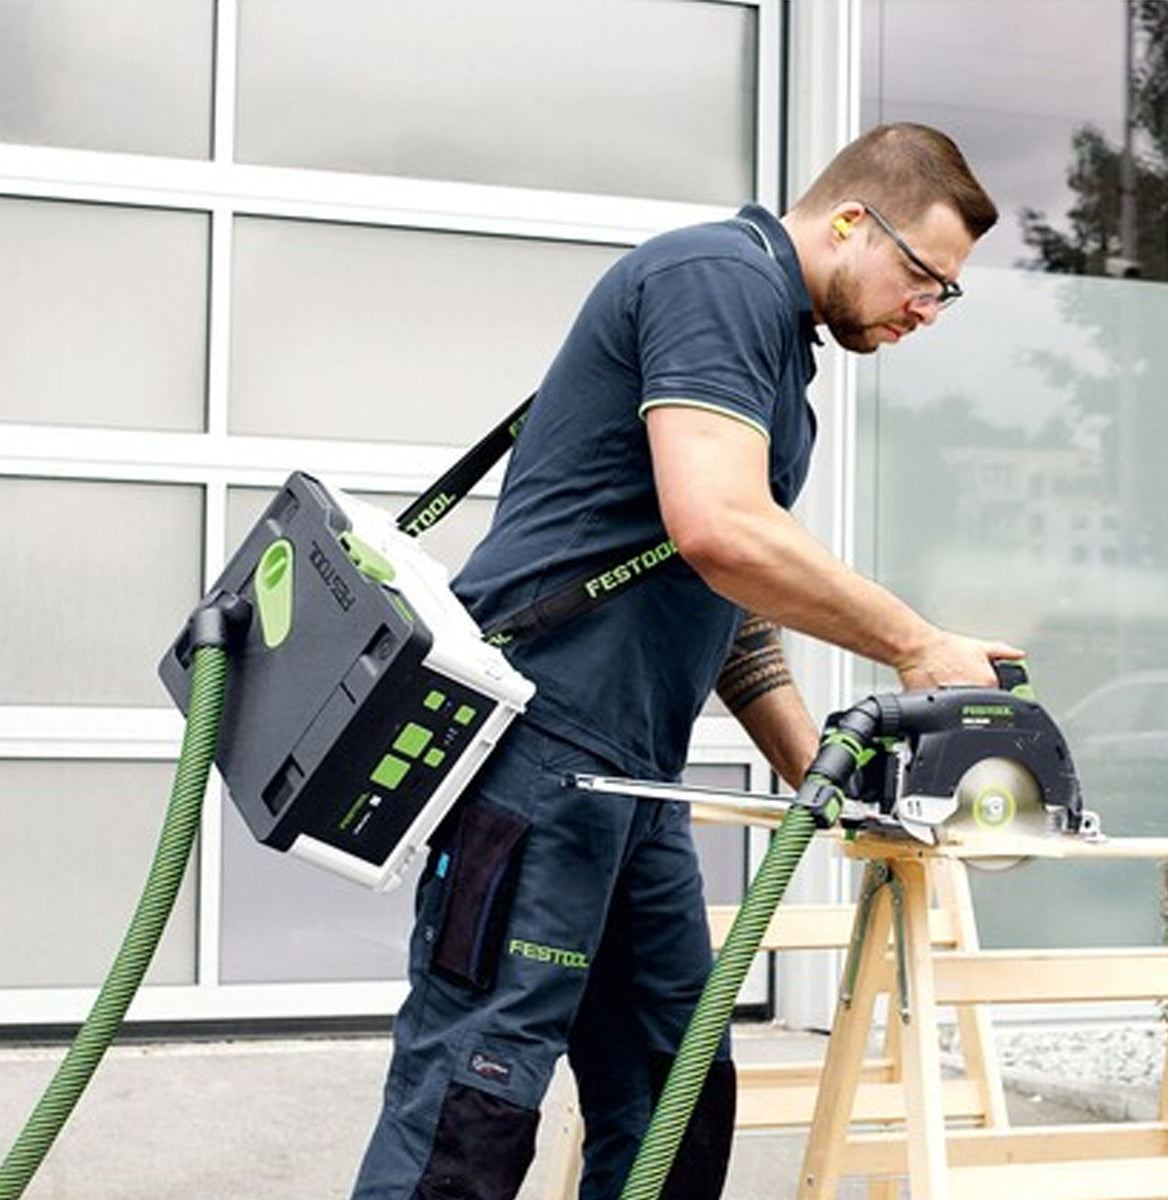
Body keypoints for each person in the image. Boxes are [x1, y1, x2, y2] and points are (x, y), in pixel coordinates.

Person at [350, 122, 1022, 1200]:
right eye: (923, 277)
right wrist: (916, 642)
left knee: (676, 1097)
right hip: (541, 753)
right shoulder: (717, 278)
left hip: (635, 782)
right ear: (852, 221)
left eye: (947, 293)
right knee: (475, 1095)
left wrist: (813, 770)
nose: (927, 310)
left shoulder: (779, 354)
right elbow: (719, 528)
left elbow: (726, 599)